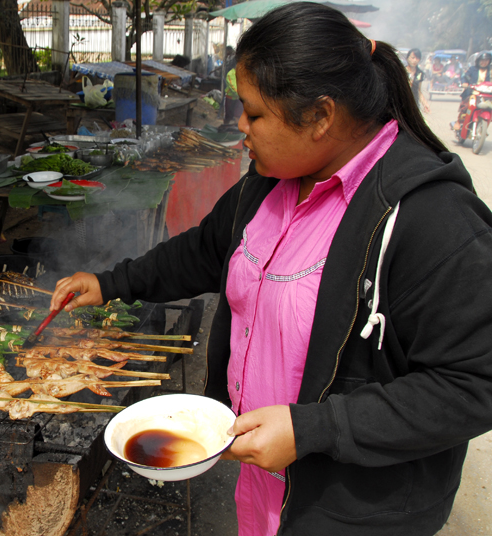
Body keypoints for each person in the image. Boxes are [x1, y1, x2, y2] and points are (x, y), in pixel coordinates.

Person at [50, 3, 492, 535]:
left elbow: (473, 384)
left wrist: (314, 429)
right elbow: (205, 251)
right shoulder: (269, 183)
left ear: (321, 116)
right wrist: (110, 283)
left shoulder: (431, 219)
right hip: (263, 486)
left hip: (354, 512)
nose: (240, 128)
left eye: (254, 114)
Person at [454, 52, 492, 131]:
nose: (484, 62)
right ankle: (458, 121)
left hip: (487, 95)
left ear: (489, 61)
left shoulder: (490, 71)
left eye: (486, 60)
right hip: (473, 92)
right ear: (478, 61)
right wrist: (465, 83)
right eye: (482, 60)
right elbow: (465, 76)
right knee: (466, 106)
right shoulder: (473, 69)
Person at [405, 48, 430, 113]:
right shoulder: (402, 71)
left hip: (414, 104)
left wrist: (425, 103)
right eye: (413, 57)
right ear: (407, 58)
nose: (415, 60)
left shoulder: (420, 73)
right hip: (402, 103)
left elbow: (418, 90)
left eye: (417, 58)